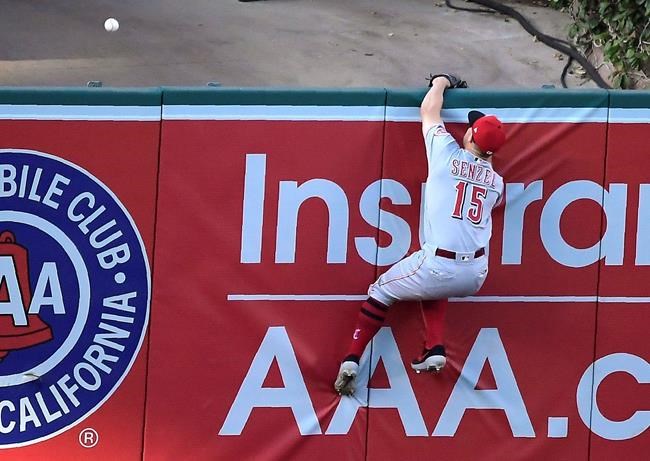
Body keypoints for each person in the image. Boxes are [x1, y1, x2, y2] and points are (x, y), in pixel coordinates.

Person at [334, 75, 507, 396]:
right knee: (432, 282)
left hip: (438, 263)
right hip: (475, 275)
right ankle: (435, 345)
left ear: (469, 135)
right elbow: (490, 189)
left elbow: (429, 110)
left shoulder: (445, 153)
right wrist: (484, 157)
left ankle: (351, 359)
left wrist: (440, 82)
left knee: (381, 291)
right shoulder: (497, 183)